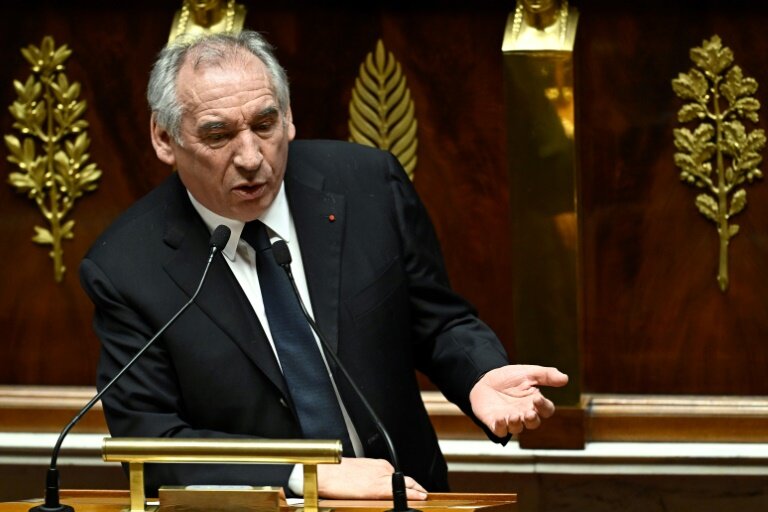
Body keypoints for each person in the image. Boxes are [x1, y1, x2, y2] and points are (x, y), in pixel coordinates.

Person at [80, 30, 568, 500]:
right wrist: (304, 473)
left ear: (289, 117)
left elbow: (437, 320)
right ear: (165, 138)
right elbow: (150, 440)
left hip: (407, 495)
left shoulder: (368, 184)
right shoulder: (127, 267)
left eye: (265, 125)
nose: (251, 157)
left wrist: (479, 375)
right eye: (218, 135)